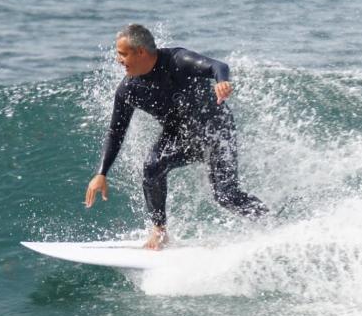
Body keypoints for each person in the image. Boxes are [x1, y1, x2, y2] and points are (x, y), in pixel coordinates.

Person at [84, 24, 268, 250]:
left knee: (225, 195)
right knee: (152, 166)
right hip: (180, 137)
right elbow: (116, 131)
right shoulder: (128, 90)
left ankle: (268, 223)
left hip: (216, 131)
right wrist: (101, 173)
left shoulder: (177, 60)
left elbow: (218, 66)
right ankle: (159, 231)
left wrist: (222, 81)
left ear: (140, 51)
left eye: (122, 54)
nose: (118, 59)